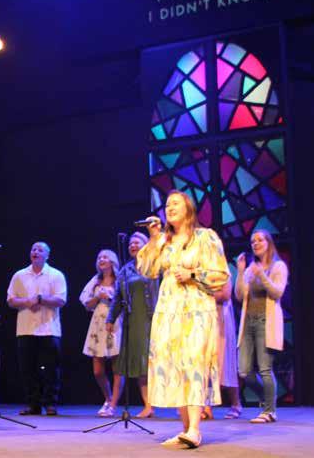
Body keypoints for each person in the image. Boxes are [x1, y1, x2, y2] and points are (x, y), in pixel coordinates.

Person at [137, 190, 229, 448]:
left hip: (197, 309)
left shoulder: (205, 237)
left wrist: (193, 274)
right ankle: (185, 430)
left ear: (188, 208)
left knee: (194, 364)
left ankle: (196, 429)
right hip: (169, 311)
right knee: (176, 365)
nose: (169, 207)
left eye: (175, 203)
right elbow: (146, 270)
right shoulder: (163, 241)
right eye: (167, 204)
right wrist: (153, 237)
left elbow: (221, 275)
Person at [7, 242, 68, 416]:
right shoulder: (19, 275)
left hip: (49, 329)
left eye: (40, 250)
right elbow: (10, 300)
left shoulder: (55, 275)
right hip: (25, 329)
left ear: (47, 255)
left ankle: (50, 403)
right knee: (28, 369)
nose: (35, 252)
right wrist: (27, 302)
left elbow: (61, 300)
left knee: (51, 369)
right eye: (33, 249)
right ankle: (33, 404)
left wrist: (41, 299)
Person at [235, 229, 288, 424]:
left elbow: (277, 293)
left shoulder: (278, 266)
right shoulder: (251, 269)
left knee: (265, 368)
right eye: (253, 241)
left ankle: (269, 411)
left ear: (268, 243)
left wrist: (263, 276)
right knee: (244, 371)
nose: (255, 243)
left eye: (259, 240)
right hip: (248, 322)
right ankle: (267, 400)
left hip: (266, 322)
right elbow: (239, 296)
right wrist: (241, 272)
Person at [106, 232, 158, 419]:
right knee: (140, 363)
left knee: (158, 362)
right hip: (134, 321)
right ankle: (148, 405)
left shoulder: (155, 265)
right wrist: (111, 319)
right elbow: (118, 297)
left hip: (154, 318)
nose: (133, 246)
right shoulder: (125, 270)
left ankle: (180, 405)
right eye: (131, 244)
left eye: (137, 242)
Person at [80, 249, 122, 417]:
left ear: (112, 261)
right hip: (98, 324)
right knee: (98, 370)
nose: (101, 259)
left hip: (115, 323)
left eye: (105, 257)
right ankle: (108, 398)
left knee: (117, 368)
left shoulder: (119, 280)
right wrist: (98, 297)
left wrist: (110, 297)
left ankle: (113, 405)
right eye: (99, 257)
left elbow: (126, 302)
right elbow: (87, 304)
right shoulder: (95, 281)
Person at [201, 277, 243, 420]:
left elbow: (225, 294)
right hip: (203, 319)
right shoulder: (198, 271)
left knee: (224, 365)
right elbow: (193, 283)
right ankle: (207, 406)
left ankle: (236, 403)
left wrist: (203, 295)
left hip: (221, 321)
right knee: (206, 364)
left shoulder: (222, 271)